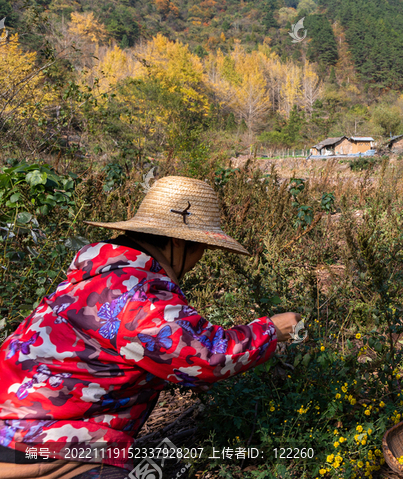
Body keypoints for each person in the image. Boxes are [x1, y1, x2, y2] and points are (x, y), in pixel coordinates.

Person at [0, 176, 303, 479]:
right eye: (201, 249)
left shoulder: (97, 276)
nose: (198, 260)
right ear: (179, 242)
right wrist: (272, 330)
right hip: (43, 443)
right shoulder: (136, 293)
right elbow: (208, 357)